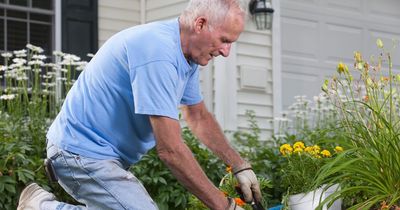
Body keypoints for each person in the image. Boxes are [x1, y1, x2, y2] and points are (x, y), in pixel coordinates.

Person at [17, 0, 262, 209]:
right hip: (79, 152)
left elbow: (197, 116)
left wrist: (239, 165)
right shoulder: (158, 52)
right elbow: (171, 150)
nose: (226, 51)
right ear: (200, 24)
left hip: (101, 156)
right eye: (224, 40)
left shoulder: (186, 57)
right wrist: (224, 205)